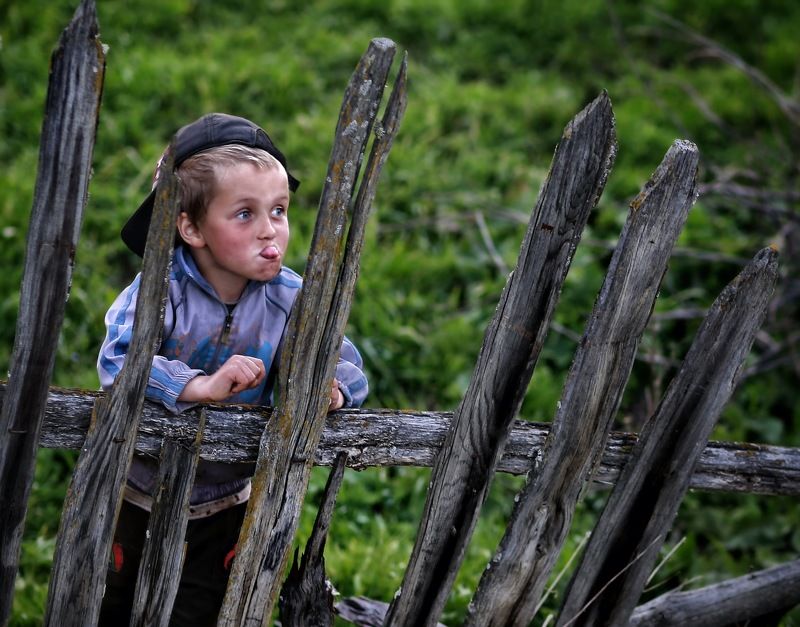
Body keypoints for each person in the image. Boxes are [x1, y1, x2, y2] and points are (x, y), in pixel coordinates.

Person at [96, 112, 368, 624]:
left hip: (227, 499)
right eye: (245, 214)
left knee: (202, 612)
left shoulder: (290, 299)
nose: (270, 229)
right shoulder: (162, 289)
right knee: (114, 604)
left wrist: (331, 388)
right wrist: (198, 385)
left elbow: (346, 363)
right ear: (191, 227)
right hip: (138, 489)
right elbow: (118, 360)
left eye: (279, 210)